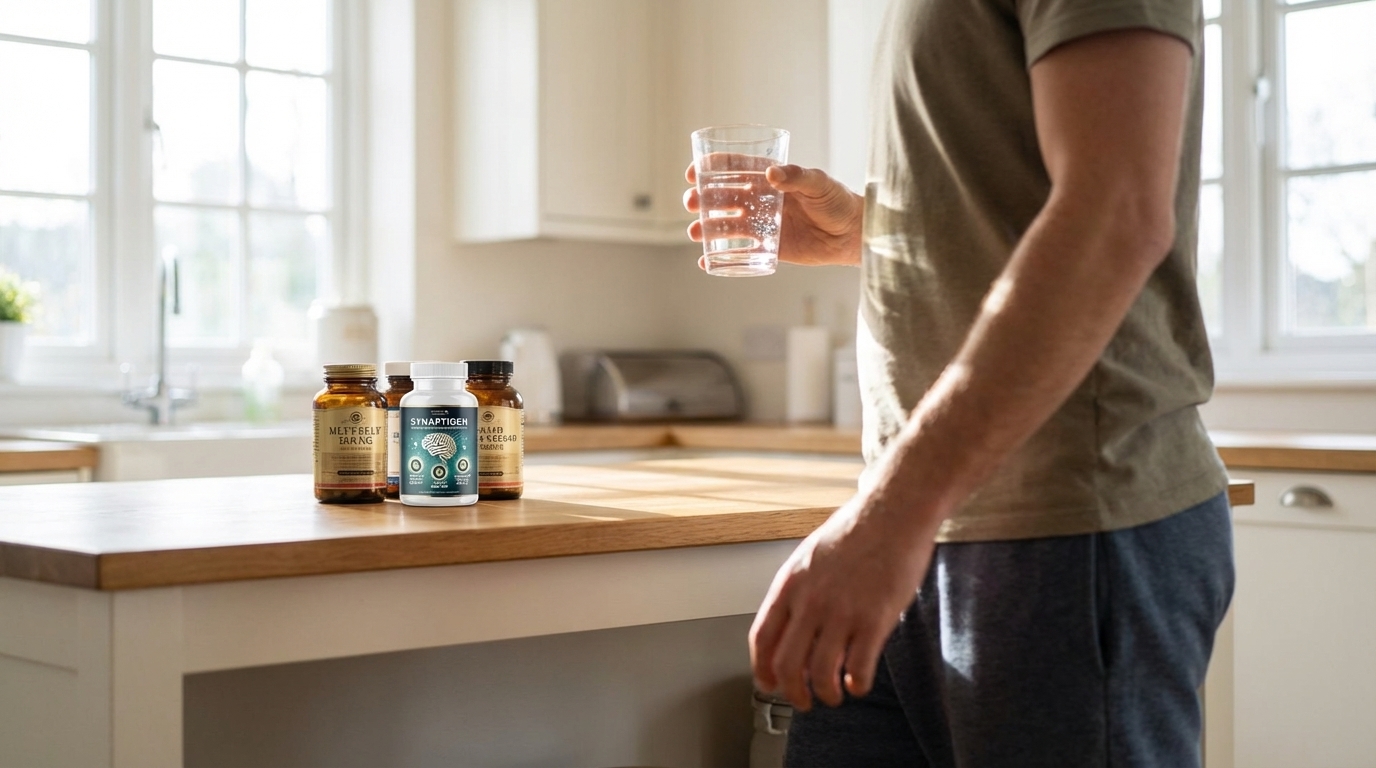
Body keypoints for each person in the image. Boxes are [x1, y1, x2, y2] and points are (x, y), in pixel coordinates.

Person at [683, 0, 1233, 765]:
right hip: (927, 527)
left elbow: (1116, 214)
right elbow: (1004, 204)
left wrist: (888, 516)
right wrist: (867, 231)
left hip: (1063, 529)